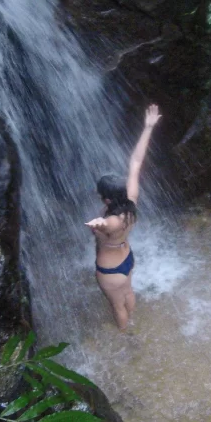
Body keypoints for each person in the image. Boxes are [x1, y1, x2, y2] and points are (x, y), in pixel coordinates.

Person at [86, 104, 161, 331]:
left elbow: (107, 223)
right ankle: (133, 322)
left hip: (110, 271)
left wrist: (98, 223)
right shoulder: (131, 201)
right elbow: (136, 163)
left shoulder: (112, 221)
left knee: (117, 305)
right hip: (127, 259)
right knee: (128, 291)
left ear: (107, 200)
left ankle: (125, 338)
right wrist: (148, 127)